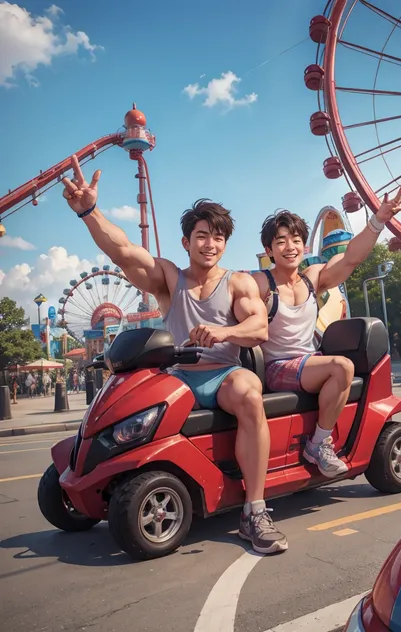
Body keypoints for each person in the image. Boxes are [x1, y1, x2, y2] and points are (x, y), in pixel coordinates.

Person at [61, 155, 287, 555]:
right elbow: (125, 252)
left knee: (250, 391)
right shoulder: (170, 277)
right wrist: (90, 212)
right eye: (202, 235)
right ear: (187, 242)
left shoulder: (237, 282)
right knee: (125, 405)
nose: (210, 244)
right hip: (176, 377)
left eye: (218, 237)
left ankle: (254, 510)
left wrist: (223, 332)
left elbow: (258, 330)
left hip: (222, 375)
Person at [252, 185, 401, 474]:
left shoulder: (312, 278)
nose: (290, 247)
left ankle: (325, 439)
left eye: (296, 240)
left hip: (308, 362)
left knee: (345, 367)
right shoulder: (261, 283)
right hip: (276, 367)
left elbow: (351, 257)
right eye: (281, 242)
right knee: (342, 367)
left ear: (304, 246)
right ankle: (317, 446)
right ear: (269, 250)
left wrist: (379, 221)